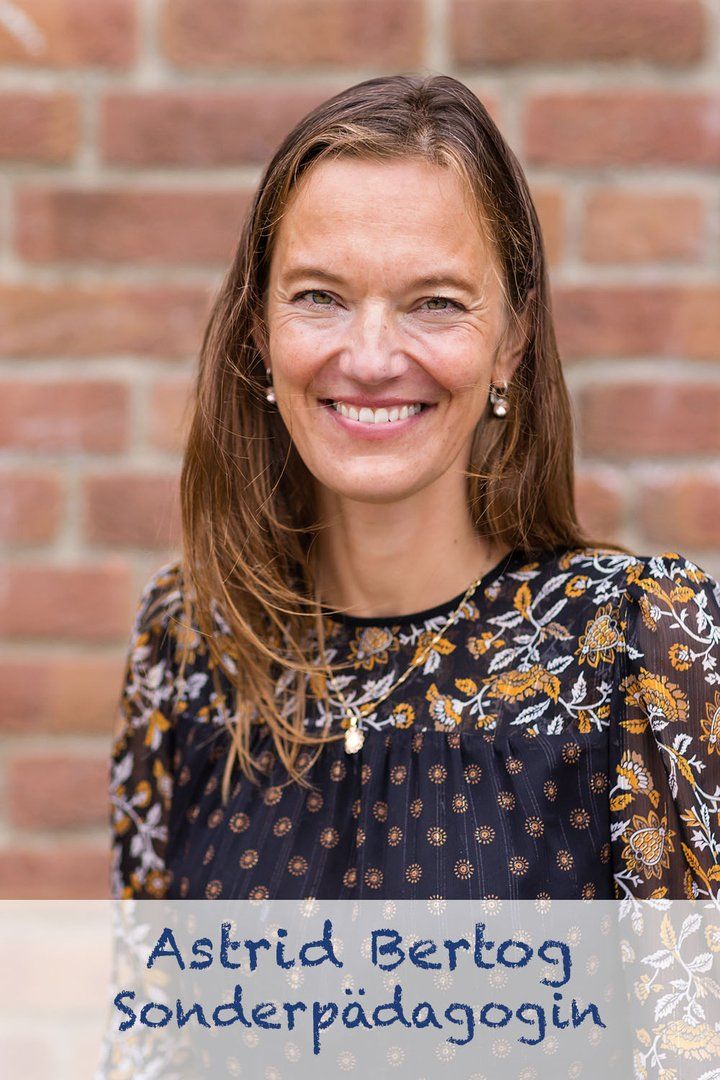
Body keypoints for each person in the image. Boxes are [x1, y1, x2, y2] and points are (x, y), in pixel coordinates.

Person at [109, 73, 720, 902]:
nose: (369, 359)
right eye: (319, 296)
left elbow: (690, 988)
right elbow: (153, 984)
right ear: (259, 329)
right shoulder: (188, 640)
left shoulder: (638, 646)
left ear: (512, 340)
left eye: (434, 302)